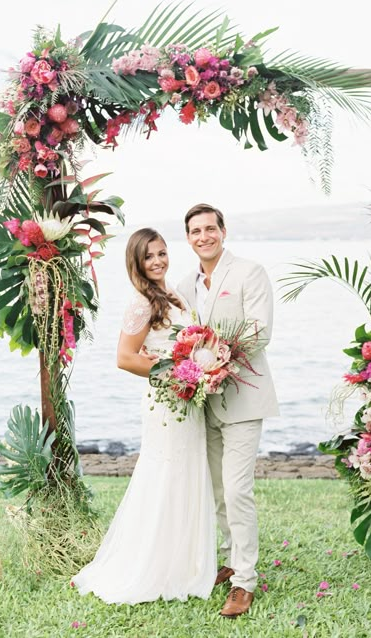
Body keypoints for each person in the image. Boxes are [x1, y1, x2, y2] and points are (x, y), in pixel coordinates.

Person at [71, 228, 216, 604]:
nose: (158, 261)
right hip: (166, 404)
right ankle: (156, 565)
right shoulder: (142, 303)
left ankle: (187, 562)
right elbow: (125, 357)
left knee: (188, 473)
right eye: (149, 256)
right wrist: (175, 373)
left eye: (162, 253)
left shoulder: (175, 294)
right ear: (136, 262)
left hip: (188, 402)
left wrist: (200, 366)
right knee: (166, 475)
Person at [177, 204, 279, 618]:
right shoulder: (185, 284)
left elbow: (259, 331)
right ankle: (230, 559)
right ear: (188, 239)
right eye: (195, 231)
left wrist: (216, 357)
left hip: (242, 397)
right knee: (218, 491)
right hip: (204, 404)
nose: (204, 236)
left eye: (209, 228)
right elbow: (182, 336)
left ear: (223, 231)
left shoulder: (249, 273)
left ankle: (245, 582)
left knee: (237, 491)